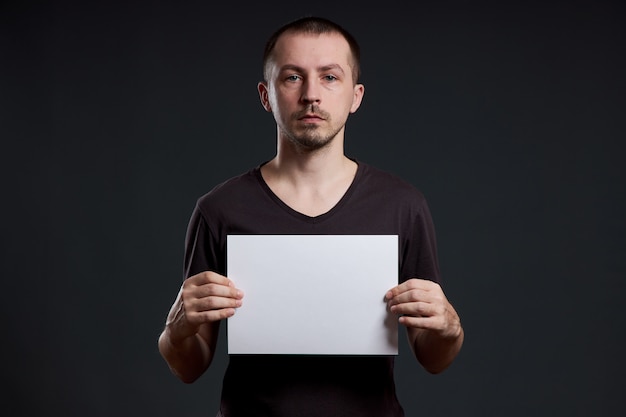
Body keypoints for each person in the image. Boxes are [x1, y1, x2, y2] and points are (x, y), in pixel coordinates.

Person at [158, 16, 464, 417]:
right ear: (266, 95)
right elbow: (190, 366)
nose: (311, 95)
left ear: (355, 96)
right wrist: (174, 330)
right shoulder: (219, 210)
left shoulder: (402, 205)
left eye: (330, 77)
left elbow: (434, 357)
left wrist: (450, 327)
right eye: (292, 78)